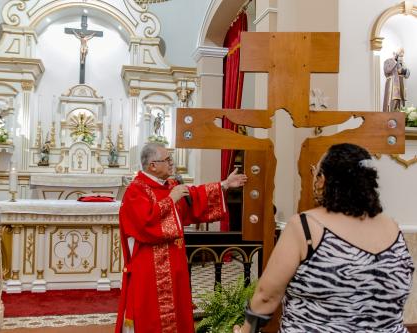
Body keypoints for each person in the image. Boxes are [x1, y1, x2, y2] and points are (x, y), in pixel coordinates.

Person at [234, 143, 414, 333]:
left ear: (322, 179)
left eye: (315, 171)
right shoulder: (392, 228)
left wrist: (245, 331)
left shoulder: (305, 227)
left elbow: (266, 297)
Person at [115, 142, 248, 333]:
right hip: (150, 268)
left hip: (174, 264)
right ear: (152, 165)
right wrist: (171, 199)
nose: (172, 163)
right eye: (167, 159)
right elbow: (145, 226)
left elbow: (194, 198)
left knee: (177, 312)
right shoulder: (137, 190)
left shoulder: (170, 185)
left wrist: (225, 184)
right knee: (150, 316)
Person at [383, 48, 410, 112]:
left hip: (401, 85)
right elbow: (387, 70)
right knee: (392, 102)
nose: (402, 55)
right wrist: (394, 60)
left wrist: (403, 71)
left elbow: (407, 74)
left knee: (400, 103)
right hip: (392, 85)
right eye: (400, 53)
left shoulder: (403, 63)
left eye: (403, 53)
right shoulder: (388, 61)